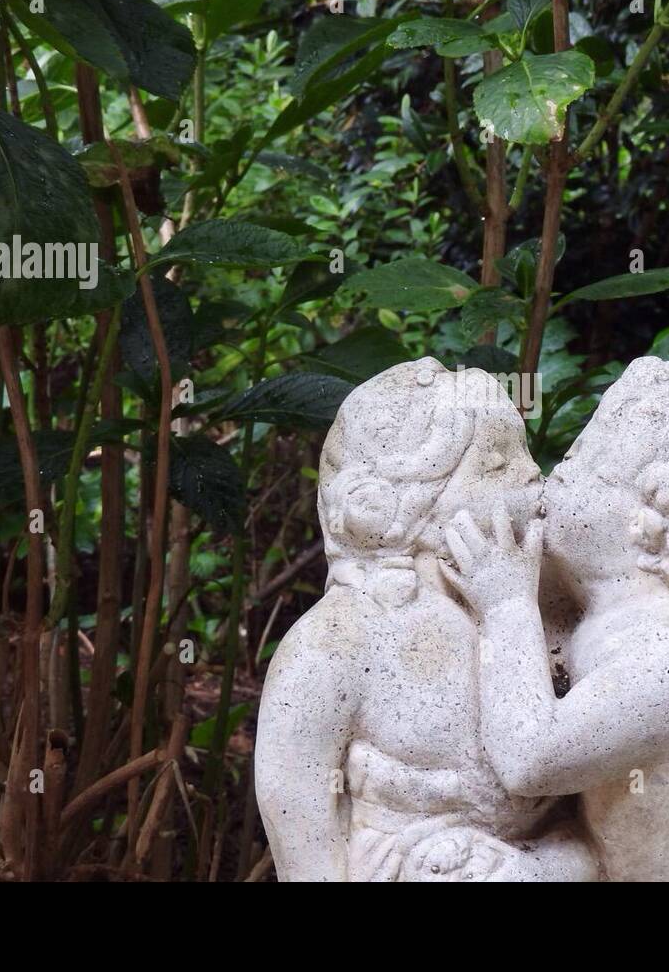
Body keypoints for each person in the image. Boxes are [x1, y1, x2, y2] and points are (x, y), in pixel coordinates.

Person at [442, 357, 669, 881]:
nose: (558, 472)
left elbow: (532, 758)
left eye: (587, 465)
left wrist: (506, 607)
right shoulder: (608, 618)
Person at [255, 359, 597, 881]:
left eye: (524, 454)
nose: (530, 473)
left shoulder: (539, 610)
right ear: (414, 498)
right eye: (499, 462)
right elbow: (293, 795)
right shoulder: (340, 637)